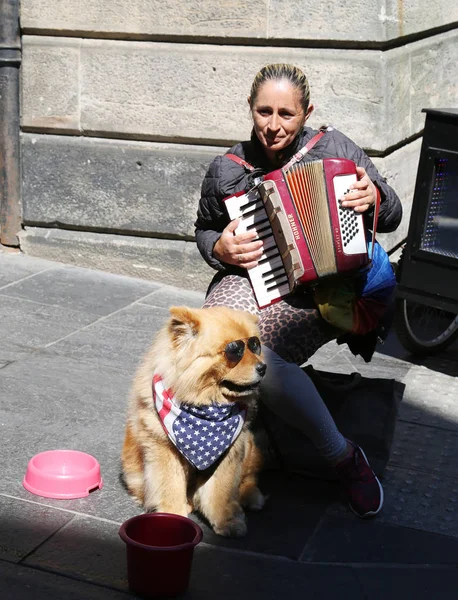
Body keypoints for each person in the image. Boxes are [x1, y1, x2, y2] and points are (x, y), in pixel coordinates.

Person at [194, 63, 402, 518]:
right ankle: (211, 456)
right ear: (250, 109)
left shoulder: (335, 148)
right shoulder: (228, 169)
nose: (273, 125)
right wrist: (221, 246)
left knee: (261, 356)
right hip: (251, 274)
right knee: (214, 341)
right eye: (264, 111)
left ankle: (342, 456)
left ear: (307, 111)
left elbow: (391, 215)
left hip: (320, 290)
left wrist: (376, 199)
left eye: (286, 114)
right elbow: (204, 229)